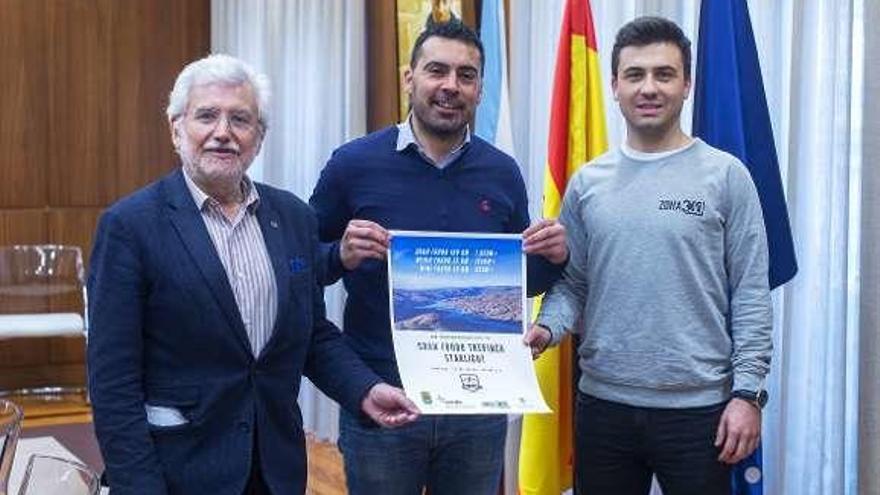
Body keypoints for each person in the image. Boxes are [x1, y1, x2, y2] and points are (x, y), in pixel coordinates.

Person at [87, 54, 418, 495]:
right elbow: (113, 383)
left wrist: (364, 389)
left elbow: (312, 335)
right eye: (207, 116)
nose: (223, 132)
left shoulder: (294, 217)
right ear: (176, 128)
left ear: (258, 138)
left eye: (240, 119)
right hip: (177, 471)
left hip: (275, 468)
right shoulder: (129, 226)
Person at [309, 19, 568, 495]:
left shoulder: (501, 171)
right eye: (437, 71)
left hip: (476, 404)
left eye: (466, 75)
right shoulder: (353, 163)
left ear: (479, 88)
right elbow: (300, 266)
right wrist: (340, 256)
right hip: (382, 398)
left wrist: (552, 257)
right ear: (410, 78)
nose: (450, 86)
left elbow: (516, 280)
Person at [525, 16, 773, 495]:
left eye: (664, 74)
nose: (649, 87)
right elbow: (573, 284)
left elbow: (750, 295)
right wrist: (548, 327)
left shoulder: (726, 176)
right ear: (615, 86)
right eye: (635, 75)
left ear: (687, 85)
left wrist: (748, 395)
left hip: (701, 413)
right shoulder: (587, 184)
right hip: (603, 409)